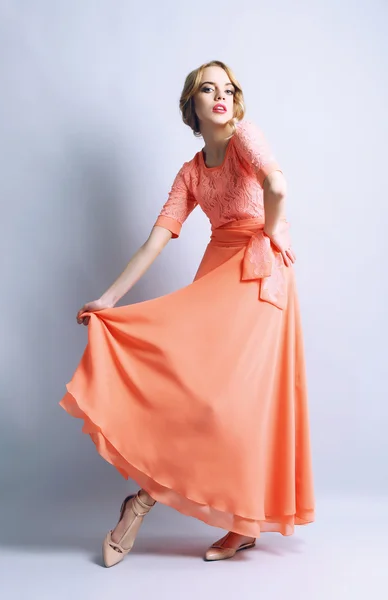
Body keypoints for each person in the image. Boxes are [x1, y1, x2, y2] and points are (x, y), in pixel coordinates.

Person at [60, 59, 315, 566]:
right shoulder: (191, 172)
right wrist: (109, 299)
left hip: (260, 277)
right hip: (217, 273)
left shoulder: (245, 138)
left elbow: (278, 186)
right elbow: (155, 242)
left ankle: (150, 508)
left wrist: (271, 231)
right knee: (195, 394)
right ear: (192, 106)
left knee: (231, 405)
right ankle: (221, 521)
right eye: (207, 89)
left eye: (228, 88)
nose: (220, 96)